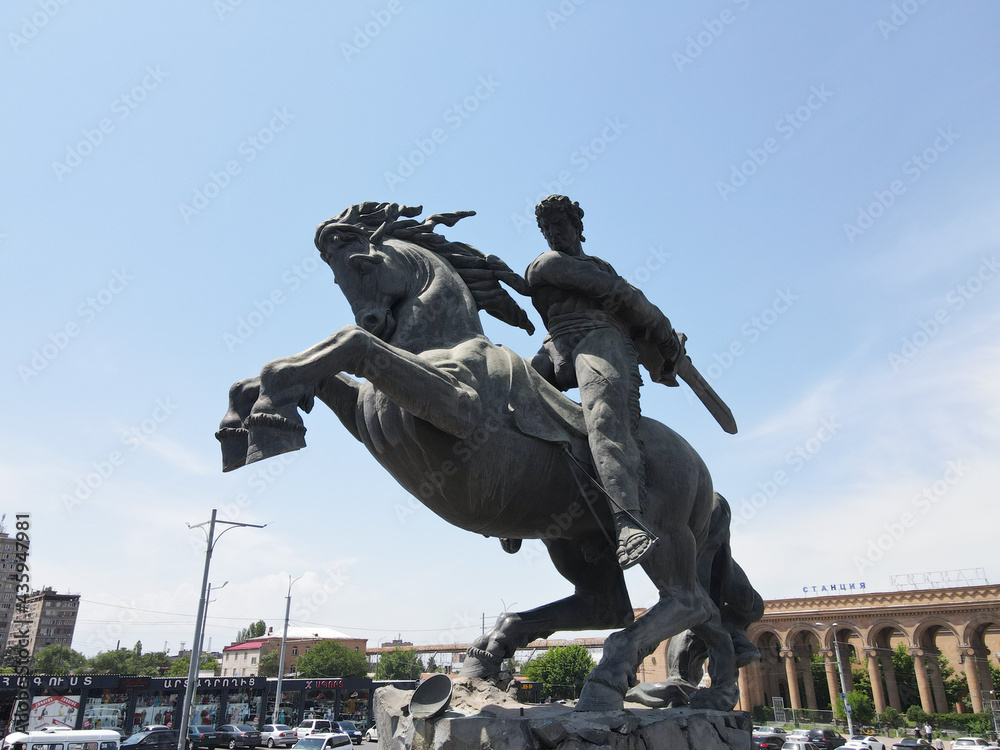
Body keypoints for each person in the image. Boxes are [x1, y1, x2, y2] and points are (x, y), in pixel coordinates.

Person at [525, 195, 684, 568]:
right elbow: (621, 295)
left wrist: (665, 348)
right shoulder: (547, 264)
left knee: (605, 416)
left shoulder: (600, 266)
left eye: (558, 226)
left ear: (577, 226)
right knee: (511, 396)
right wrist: (660, 325)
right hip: (556, 345)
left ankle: (628, 520)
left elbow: (625, 308)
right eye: (545, 229)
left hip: (601, 338)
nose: (552, 234)